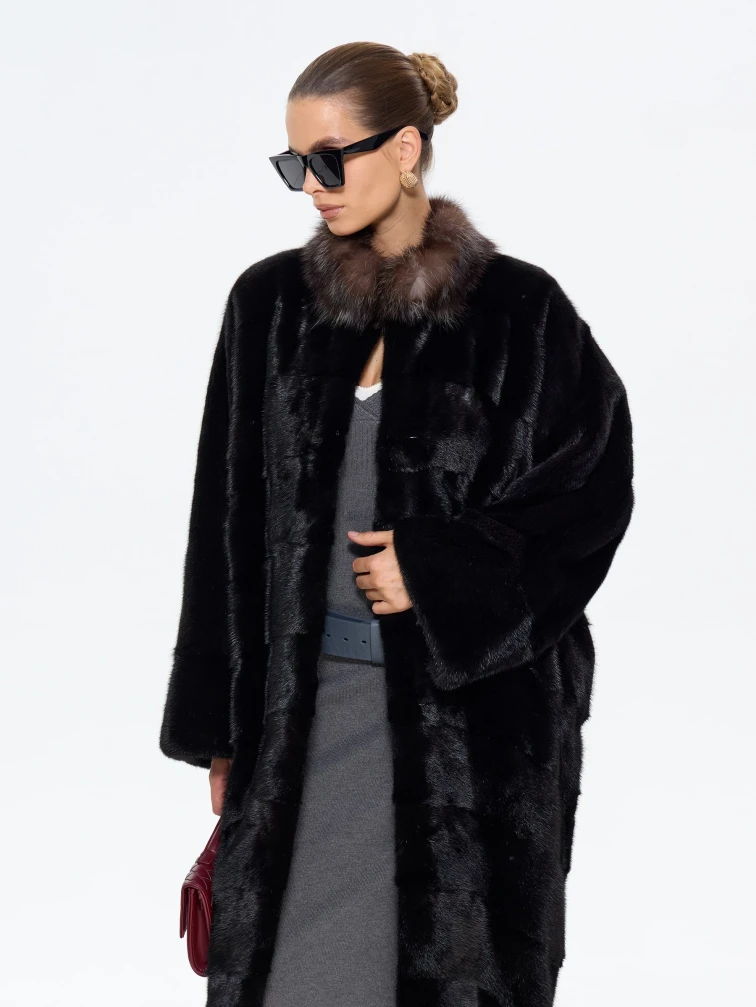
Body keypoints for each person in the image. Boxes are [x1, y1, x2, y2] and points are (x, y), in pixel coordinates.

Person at [159, 41, 635, 1007]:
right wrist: (220, 729)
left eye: (329, 160)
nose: (311, 187)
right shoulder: (267, 308)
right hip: (300, 718)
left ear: (406, 149)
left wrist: (441, 569)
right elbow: (223, 523)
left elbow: (591, 492)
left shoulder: (521, 313)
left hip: (471, 736)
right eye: (294, 164)